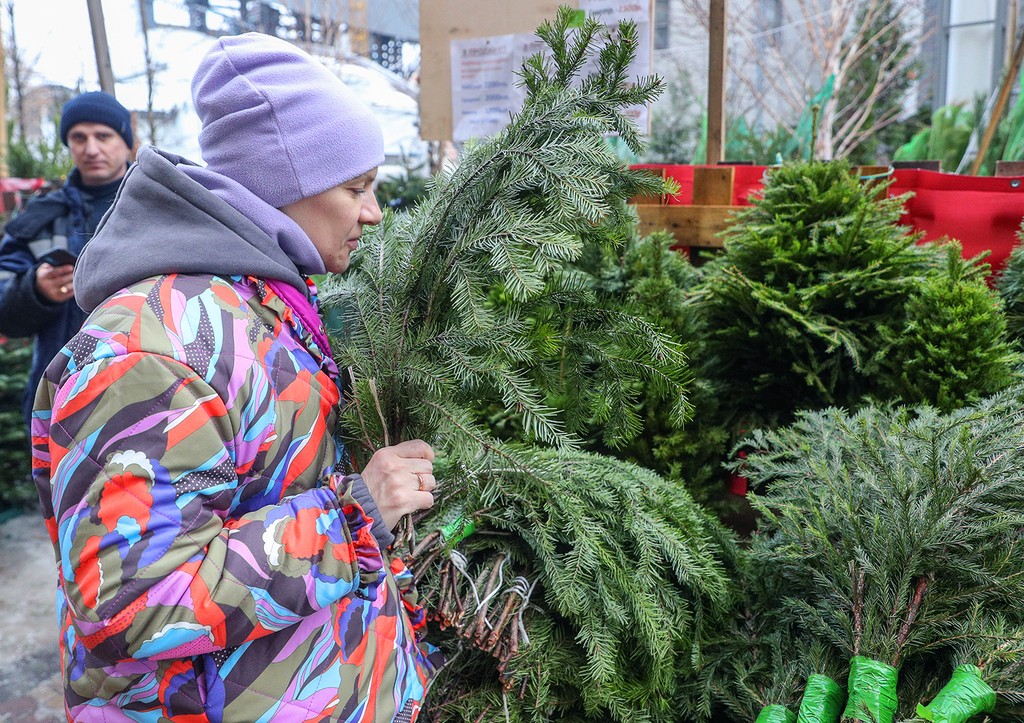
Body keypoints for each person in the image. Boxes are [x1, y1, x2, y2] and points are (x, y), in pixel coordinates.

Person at [31, 34, 442, 722]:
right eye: (356, 187)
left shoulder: (261, 303)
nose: (373, 213)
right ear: (286, 184)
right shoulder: (151, 354)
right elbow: (139, 602)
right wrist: (352, 516)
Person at [0, 91, 134, 425]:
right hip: (58, 399)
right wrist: (34, 289)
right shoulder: (41, 216)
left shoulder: (160, 208)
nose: (91, 148)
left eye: (103, 135)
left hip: (146, 389)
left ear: (125, 140)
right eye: (79, 137)